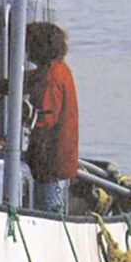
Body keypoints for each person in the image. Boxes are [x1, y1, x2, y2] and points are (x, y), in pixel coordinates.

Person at [23, 22, 81, 213]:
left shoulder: (52, 77)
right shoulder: (58, 69)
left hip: (51, 163)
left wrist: (12, 138)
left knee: (49, 210)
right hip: (59, 162)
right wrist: (3, 85)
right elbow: (31, 79)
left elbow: (46, 120)